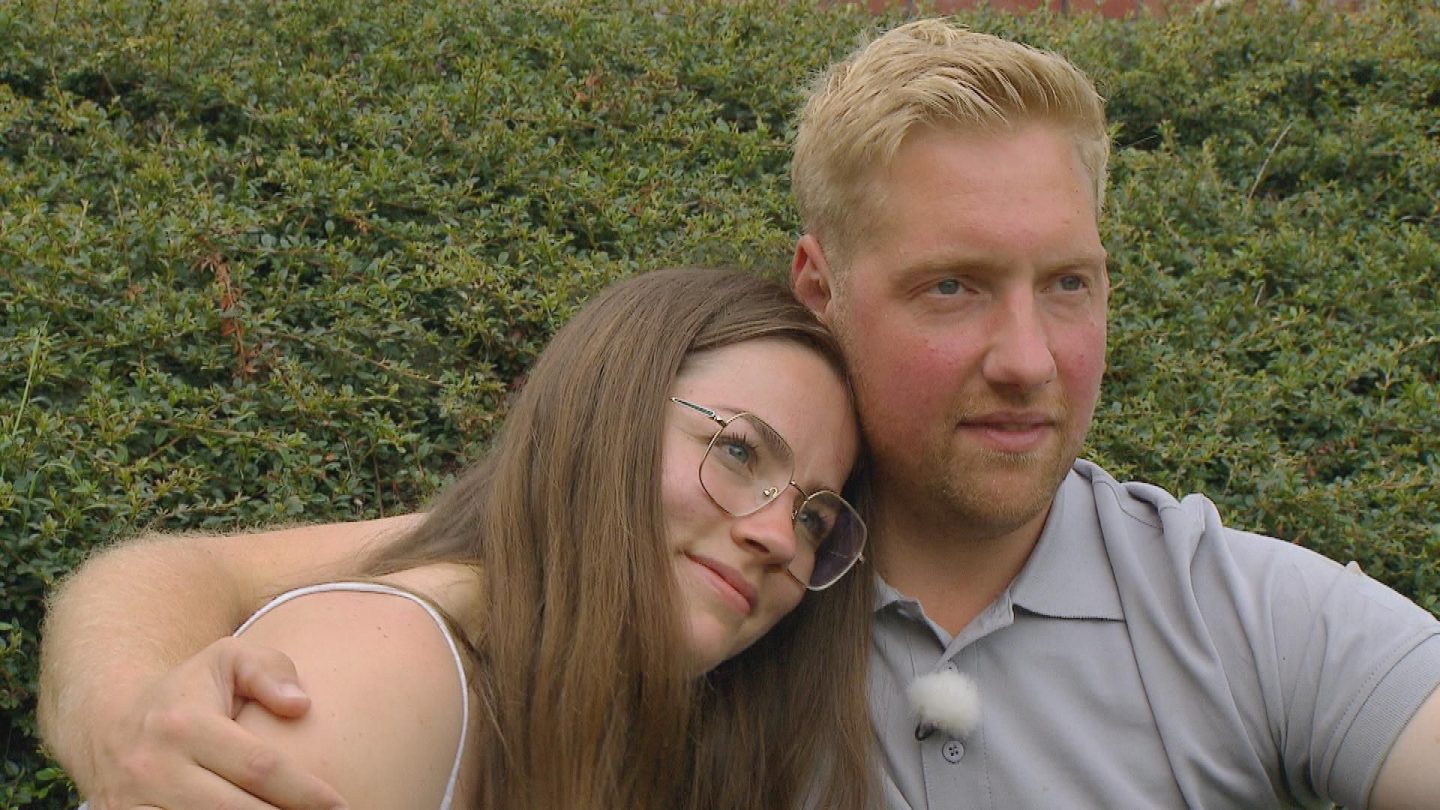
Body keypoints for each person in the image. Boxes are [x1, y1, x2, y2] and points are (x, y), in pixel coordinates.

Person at [40, 18, 1440, 810]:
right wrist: (122, 717)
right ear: (822, 286)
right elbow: (197, 577)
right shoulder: (678, 555)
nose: (1030, 358)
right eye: (953, 286)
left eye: (1068, 283)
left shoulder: (1233, 606)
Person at [48, 267, 878, 810]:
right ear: (606, 417)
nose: (780, 538)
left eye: (813, 516)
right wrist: (119, 712)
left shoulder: (636, 686)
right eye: (738, 450)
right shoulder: (374, 680)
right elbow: (187, 570)